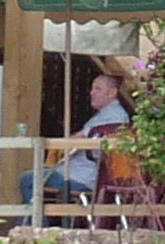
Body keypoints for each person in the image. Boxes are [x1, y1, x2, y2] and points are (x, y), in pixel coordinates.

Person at [50, 67, 132, 198]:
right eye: (92, 88)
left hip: (82, 176)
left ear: (112, 93)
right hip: (80, 173)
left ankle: (37, 219)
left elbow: (77, 139)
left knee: (28, 179)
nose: (91, 93)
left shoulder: (112, 116)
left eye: (98, 89)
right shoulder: (109, 114)